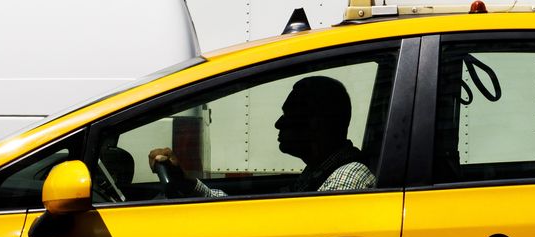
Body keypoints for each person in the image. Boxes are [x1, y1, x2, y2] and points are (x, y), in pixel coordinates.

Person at [148, 75, 375, 197]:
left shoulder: (347, 179)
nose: (278, 123)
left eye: (289, 114)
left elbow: (284, 233)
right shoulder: (318, 171)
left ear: (317, 123)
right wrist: (187, 183)